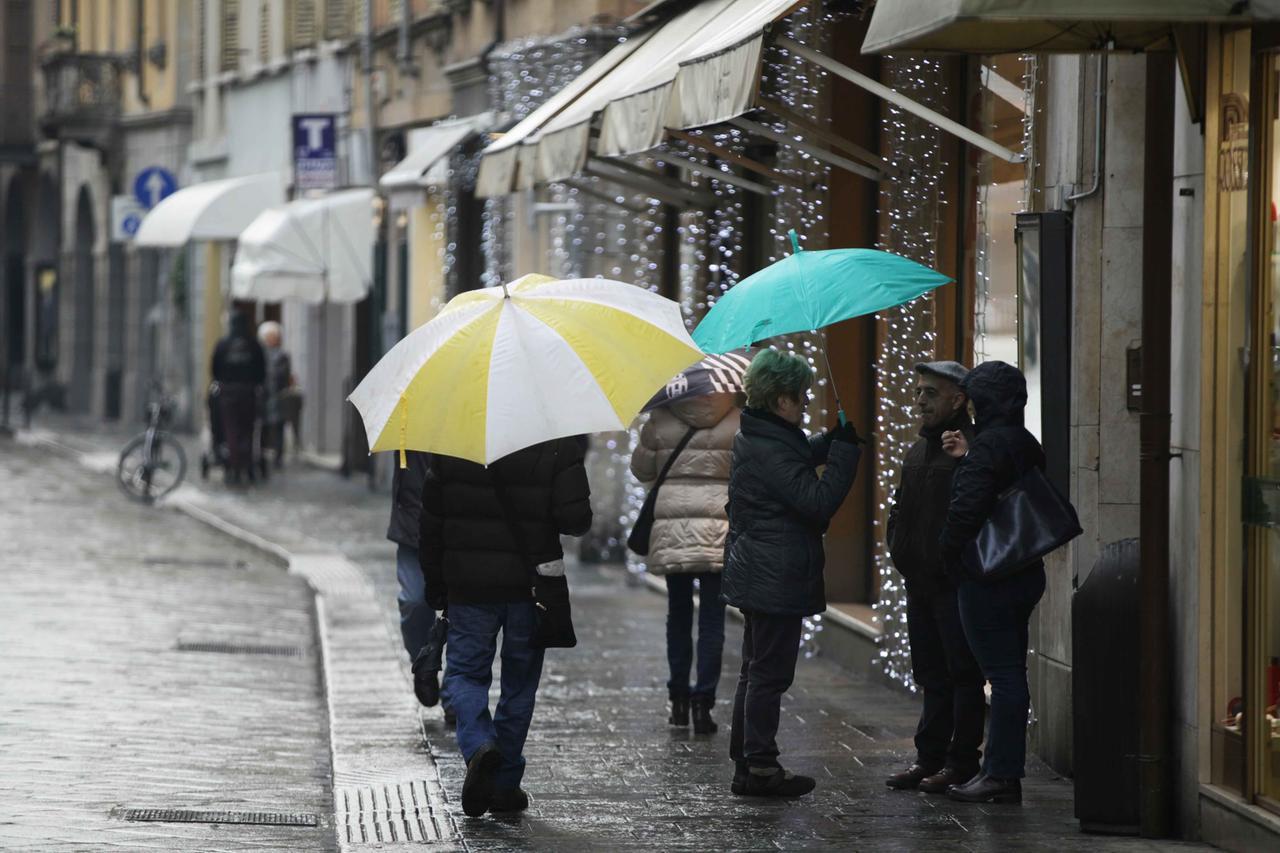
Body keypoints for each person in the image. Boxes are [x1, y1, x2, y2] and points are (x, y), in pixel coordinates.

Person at [420, 437, 591, 818]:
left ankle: (479, 745)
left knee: (465, 674)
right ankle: (505, 781)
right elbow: (577, 521)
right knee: (520, 683)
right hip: (531, 586)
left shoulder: (453, 441)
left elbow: (431, 523)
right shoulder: (553, 439)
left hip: (468, 585)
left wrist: (435, 585)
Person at [722, 349, 861, 798]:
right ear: (781, 399)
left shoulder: (761, 434)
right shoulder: (768, 447)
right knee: (769, 674)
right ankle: (761, 767)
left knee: (755, 670)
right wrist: (844, 455)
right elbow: (816, 502)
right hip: (773, 572)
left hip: (761, 568)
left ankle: (748, 763)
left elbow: (795, 454)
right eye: (800, 395)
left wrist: (830, 439)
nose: (805, 401)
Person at [939, 360, 1046, 805]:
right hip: (1024, 570)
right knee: (1010, 672)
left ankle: (1000, 774)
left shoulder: (988, 448)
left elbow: (967, 510)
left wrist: (948, 555)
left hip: (988, 574)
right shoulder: (1024, 442)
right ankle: (1002, 771)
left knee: (1001, 676)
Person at [884, 361, 985, 795]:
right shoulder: (917, 450)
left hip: (954, 582)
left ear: (958, 400)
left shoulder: (969, 448)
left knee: (961, 672)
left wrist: (948, 562)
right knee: (930, 672)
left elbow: (979, 506)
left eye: (931, 393)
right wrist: (898, 546)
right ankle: (929, 757)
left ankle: (961, 762)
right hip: (919, 580)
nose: (920, 400)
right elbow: (900, 506)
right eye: (918, 391)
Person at [631, 392, 739, 735]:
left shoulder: (661, 416)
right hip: (718, 528)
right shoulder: (735, 418)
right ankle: (703, 704)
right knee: (712, 620)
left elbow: (640, 469)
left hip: (672, 528)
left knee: (678, 614)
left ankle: (678, 700)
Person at [388, 450, 453, 722]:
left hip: (461, 526)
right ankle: (423, 661)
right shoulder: (404, 423)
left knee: (465, 612)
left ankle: (457, 691)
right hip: (413, 524)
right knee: (414, 601)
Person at [210, 312, 265, 484]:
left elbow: (214, 368)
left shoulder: (223, 344)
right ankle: (246, 464)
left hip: (228, 392)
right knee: (248, 430)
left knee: (230, 430)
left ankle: (233, 466)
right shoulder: (253, 344)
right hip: (248, 392)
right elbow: (261, 370)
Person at [257, 321, 293, 469]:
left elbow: (283, 375)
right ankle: (262, 455)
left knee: (278, 427)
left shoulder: (282, 355)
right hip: (264, 397)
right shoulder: (260, 354)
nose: (271, 339)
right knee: (263, 427)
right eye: (269, 337)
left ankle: (278, 456)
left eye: (273, 336)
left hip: (278, 397)